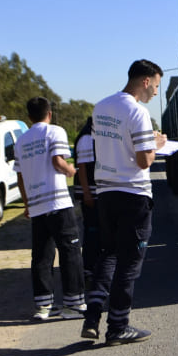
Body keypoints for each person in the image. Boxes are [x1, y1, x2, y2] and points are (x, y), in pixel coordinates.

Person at [81, 59, 167, 346]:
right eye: (155, 85)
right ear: (145, 81)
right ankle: (118, 326)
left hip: (106, 193)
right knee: (129, 264)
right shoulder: (138, 112)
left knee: (108, 254)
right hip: (133, 194)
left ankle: (92, 316)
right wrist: (157, 145)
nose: (156, 92)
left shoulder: (101, 107)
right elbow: (144, 161)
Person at [15, 97, 86, 321]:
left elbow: (20, 176)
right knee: (70, 251)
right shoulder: (55, 132)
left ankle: (43, 306)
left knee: (42, 256)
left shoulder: (20, 141)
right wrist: (72, 170)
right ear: (49, 114)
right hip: (57, 202)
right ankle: (73, 304)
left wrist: (27, 204)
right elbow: (58, 162)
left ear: (29, 117)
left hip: (37, 205)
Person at [73, 116, 99, 284]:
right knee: (92, 233)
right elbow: (82, 168)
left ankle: (94, 267)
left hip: (94, 192)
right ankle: (89, 269)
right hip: (90, 194)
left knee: (97, 233)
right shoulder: (87, 138)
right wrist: (87, 194)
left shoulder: (91, 136)